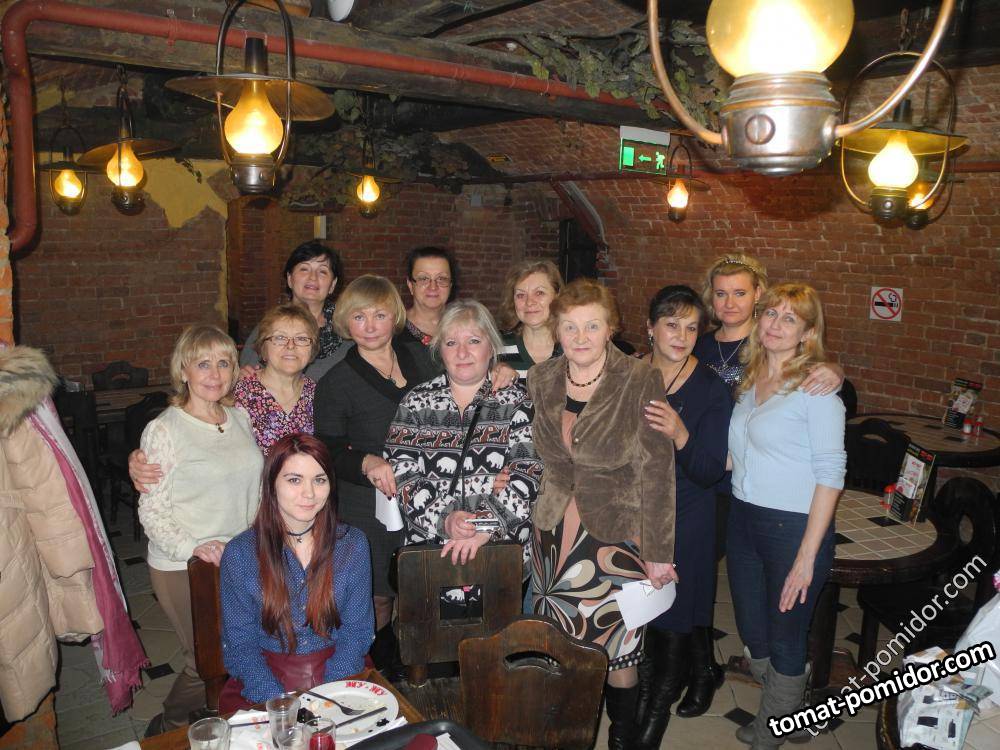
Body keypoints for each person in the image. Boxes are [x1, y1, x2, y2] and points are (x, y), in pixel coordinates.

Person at [528, 278, 677, 750]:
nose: (581, 337)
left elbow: (658, 470)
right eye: (570, 327)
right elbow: (538, 453)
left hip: (614, 538)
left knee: (618, 651)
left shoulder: (639, 378)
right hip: (553, 534)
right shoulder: (540, 378)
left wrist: (658, 551)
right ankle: (569, 733)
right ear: (556, 330)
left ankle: (622, 735)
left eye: (592, 326)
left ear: (610, 328)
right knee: (560, 646)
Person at [727, 283, 846, 749]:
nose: (775, 325)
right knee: (752, 632)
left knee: (786, 636)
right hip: (743, 520)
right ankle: (787, 705)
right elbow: (737, 455)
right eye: (771, 314)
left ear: (808, 333)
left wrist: (806, 557)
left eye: (789, 318)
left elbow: (831, 475)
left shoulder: (817, 390)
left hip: (792, 528)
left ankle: (772, 728)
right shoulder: (749, 381)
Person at [137, 325, 262, 732]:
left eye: (224, 363)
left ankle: (226, 718)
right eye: (203, 363)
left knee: (236, 649)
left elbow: (255, 490)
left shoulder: (240, 418)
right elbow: (152, 509)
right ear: (183, 370)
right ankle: (170, 725)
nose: (214, 373)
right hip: (184, 565)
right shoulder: (165, 429)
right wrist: (194, 546)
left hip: (238, 559)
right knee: (203, 660)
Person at [313, 275, 436, 672]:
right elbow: (328, 450)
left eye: (379, 315)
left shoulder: (420, 357)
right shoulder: (336, 382)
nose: (369, 326)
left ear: (394, 317)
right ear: (346, 322)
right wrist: (366, 461)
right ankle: (374, 673)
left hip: (426, 495)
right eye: (359, 316)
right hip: (367, 504)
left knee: (421, 587)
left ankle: (417, 671)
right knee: (377, 594)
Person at [635, 286, 733, 748]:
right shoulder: (629, 373)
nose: (681, 335)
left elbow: (710, 471)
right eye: (671, 324)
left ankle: (656, 713)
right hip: (634, 512)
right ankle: (642, 697)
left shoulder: (711, 388)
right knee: (639, 614)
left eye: (692, 328)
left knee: (674, 616)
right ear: (650, 328)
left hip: (688, 513)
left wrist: (680, 434)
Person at [384, 300, 541, 579]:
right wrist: (446, 519)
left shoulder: (517, 401)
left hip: (500, 554)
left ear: (491, 347)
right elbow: (401, 472)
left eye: (474, 341)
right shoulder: (416, 402)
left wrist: (485, 527)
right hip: (432, 555)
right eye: (451, 343)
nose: (462, 352)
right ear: (439, 350)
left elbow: (528, 471)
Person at [218, 433, 374, 709]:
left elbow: (357, 631)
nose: (309, 493)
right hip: (265, 676)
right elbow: (241, 643)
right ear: (271, 484)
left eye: (319, 480)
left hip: (340, 671)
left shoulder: (352, 544)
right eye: (294, 480)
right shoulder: (240, 553)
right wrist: (280, 705)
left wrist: (327, 698)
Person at [241, 241, 349, 382]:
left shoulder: (347, 329)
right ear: (290, 279)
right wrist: (242, 374)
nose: (313, 277)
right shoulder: (270, 325)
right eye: (304, 269)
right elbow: (247, 372)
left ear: (332, 285)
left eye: (322, 271)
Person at [233, 303, 319, 454]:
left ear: (312, 349)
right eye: (280, 337)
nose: (291, 345)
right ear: (263, 348)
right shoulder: (240, 394)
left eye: (301, 338)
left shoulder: (319, 394)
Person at [497, 259, 563, 381]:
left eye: (539, 293)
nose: (529, 302)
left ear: (557, 296)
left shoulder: (573, 347)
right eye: (521, 295)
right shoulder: (496, 347)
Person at [398, 246, 456, 349]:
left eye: (441, 278)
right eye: (423, 278)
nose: (433, 287)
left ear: (450, 285)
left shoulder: (465, 326)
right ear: (410, 285)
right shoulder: (393, 331)